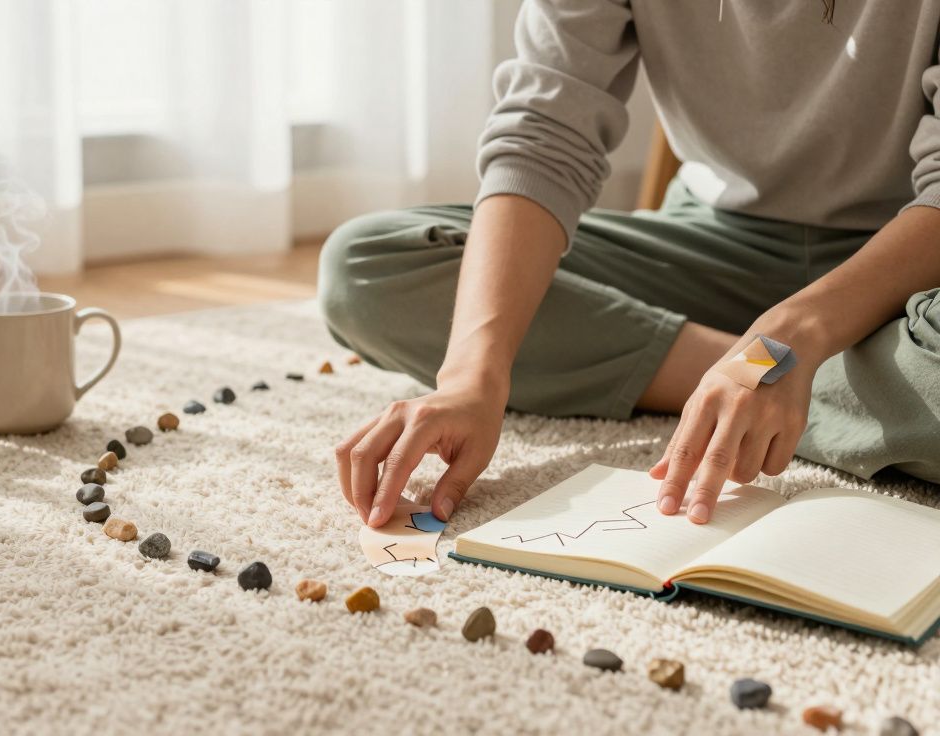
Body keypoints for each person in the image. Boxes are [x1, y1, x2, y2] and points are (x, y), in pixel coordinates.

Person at [319, 1, 940, 529]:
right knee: (367, 267)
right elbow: (543, 134)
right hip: (711, 247)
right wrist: (470, 381)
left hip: (908, 266)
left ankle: (756, 385)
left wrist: (791, 338)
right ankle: (746, 385)